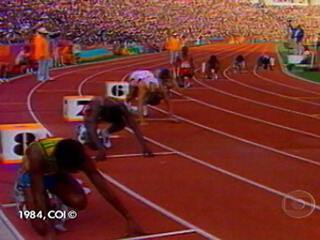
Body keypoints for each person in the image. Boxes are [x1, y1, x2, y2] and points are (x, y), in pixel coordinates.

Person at [14, 138, 143, 239]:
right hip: (32, 178)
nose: (76, 171)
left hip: (57, 175)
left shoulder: (81, 157)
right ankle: (24, 200)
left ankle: (55, 203)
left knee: (79, 202)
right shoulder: (37, 154)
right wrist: (50, 230)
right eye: (73, 170)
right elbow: (38, 193)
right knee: (41, 228)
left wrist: (129, 218)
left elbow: (104, 189)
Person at [78, 97, 153, 161]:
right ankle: (83, 130)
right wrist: (101, 150)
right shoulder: (95, 108)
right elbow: (92, 129)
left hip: (111, 110)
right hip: (91, 115)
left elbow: (135, 128)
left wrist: (145, 147)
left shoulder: (122, 108)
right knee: (92, 145)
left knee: (121, 124)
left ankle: (104, 133)